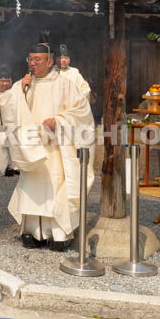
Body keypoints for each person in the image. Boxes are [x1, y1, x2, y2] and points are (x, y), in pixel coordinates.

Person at [8, 35, 95, 251]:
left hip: (57, 148)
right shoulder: (23, 85)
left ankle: (58, 234)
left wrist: (59, 121)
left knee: (55, 190)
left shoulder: (65, 85)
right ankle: (32, 232)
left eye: (38, 59)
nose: (33, 63)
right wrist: (19, 91)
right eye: (30, 59)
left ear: (50, 61)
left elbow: (82, 112)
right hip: (32, 148)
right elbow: (8, 109)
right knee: (32, 189)